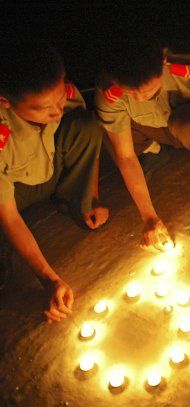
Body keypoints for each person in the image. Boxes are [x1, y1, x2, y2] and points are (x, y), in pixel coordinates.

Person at [95, 37, 190, 252]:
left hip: (188, 121)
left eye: (149, 89)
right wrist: (149, 217)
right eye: (133, 93)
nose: (141, 98)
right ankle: (152, 153)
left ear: (162, 63)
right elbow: (125, 156)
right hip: (150, 126)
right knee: (109, 135)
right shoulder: (109, 93)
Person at [0, 39, 108, 323]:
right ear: (5, 102)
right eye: (44, 109)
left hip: (48, 168)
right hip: (15, 192)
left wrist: (92, 197)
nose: (57, 111)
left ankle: (74, 203)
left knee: (86, 125)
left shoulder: (61, 95)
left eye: (59, 97)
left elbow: (88, 143)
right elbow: (9, 215)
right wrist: (49, 279)